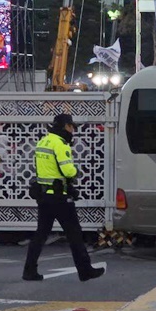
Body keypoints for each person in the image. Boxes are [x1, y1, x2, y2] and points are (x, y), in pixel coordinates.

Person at [23, 113, 105, 282]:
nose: (73, 130)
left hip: (44, 195)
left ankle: (29, 271)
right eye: (71, 126)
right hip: (60, 198)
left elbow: (41, 168)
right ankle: (85, 271)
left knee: (40, 235)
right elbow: (67, 171)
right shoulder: (60, 144)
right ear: (66, 126)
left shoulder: (43, 141)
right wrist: (76, 172)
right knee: (75, 235)